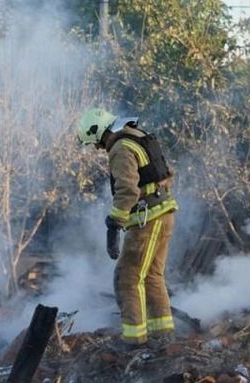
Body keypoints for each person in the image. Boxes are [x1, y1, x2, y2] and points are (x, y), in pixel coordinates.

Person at [76, 107, 179, 348]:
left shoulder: (120, 148)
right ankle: (162, 336)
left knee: (127, 278)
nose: (98, 148)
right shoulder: (136, 135)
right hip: (161, 212)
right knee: (152, 276)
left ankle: (134, 342)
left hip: (148, 218)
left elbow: (127, 190)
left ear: (99, 132)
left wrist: (115, 222)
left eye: (97, 143)